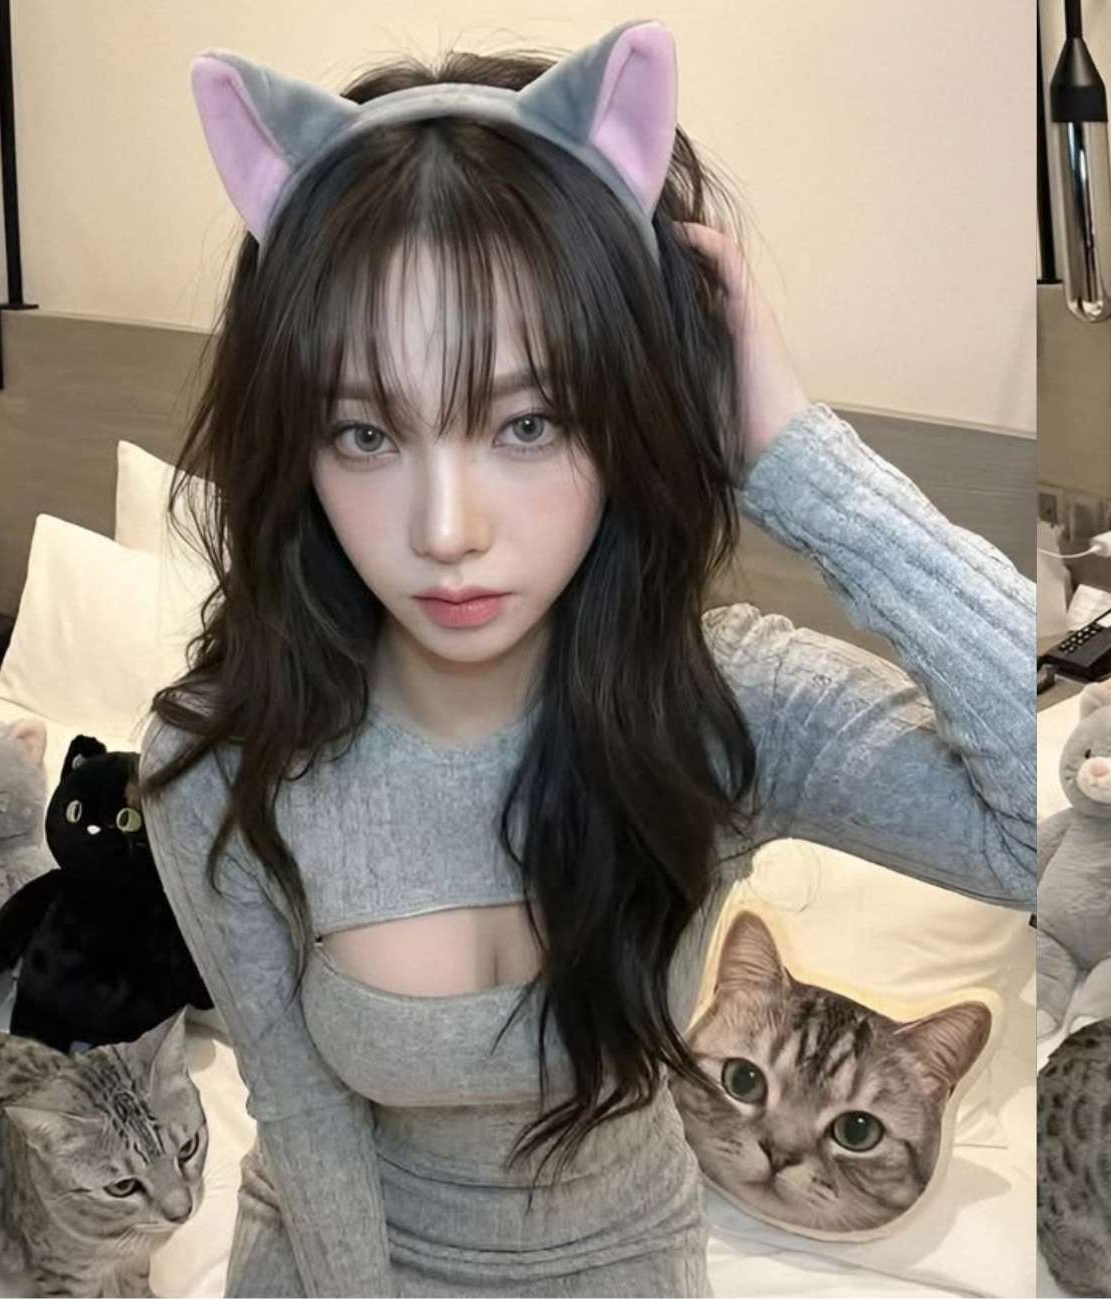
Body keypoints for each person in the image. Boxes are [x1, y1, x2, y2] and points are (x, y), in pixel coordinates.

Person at [133, 21, 1034, 1296]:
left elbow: (1035, 827)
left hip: (625, 1255)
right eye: (365, 434)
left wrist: (792, 454)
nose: (447, 531)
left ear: (633, 414)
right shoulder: (226, 755)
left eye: (530, 421)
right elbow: (304, 1120)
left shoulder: (720, 708)